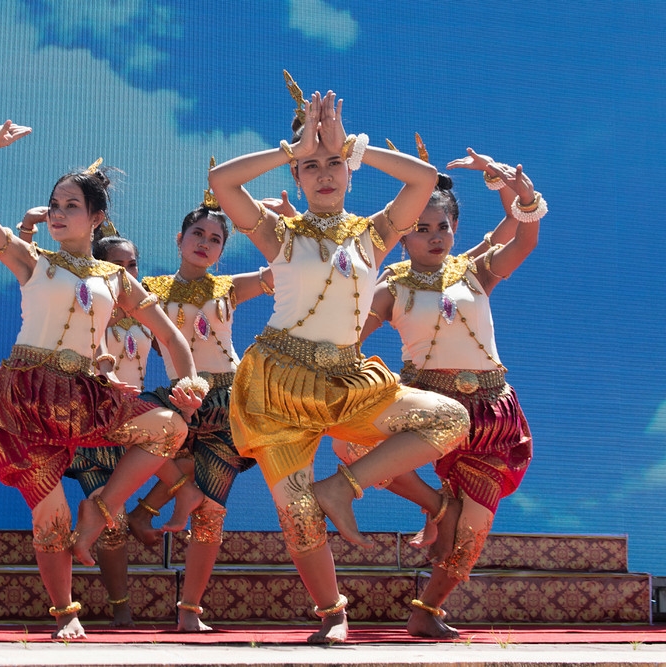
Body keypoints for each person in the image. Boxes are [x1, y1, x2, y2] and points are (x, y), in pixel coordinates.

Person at [206, 80, 470, 643]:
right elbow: (222, 182)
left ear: (349, 171)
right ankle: (332, 613)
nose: (324, 173)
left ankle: (342, 487)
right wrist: (292, 147)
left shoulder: (376, 233)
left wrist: (354, 146)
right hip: (279, 382)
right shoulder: (279, 235)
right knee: (296, 511)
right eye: (311, 166)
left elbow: (424, 180)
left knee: (450, 419)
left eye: (334, 164)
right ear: (297, 176)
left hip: (350, 379)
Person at [0, 121, 205, 640]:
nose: (57, 213)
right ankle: (64, 612)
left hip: (83, 395)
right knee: (49, 513)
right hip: (25, 396)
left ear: (96, 218)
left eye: (71, 205)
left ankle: (103, 506)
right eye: (54, 204)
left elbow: (169, 335)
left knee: (170, 427)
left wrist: (189, 383)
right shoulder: (32, 260)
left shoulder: (116, 278)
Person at [360, 145, 540, 638]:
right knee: (353, 444)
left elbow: (523, 238)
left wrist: (519, 194)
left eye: (442, 227)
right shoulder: (389, 289)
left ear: (454, 228)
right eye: (422, 228)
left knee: (474, 529)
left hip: (491, 413)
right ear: (402, 233)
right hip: (430, 407)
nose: (435, 236)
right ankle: (438, 505)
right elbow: (349, 340)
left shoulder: (476, 271)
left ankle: (428, 609)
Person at [126, 192, 273, 632]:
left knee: (211, 508)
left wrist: (270, 222)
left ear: (222, 250)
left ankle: (189, 610)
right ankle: (149, 508)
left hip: (228, 402)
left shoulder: (230, 287)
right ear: (179, 238)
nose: (205, 243)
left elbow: (284, 271)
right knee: (139, 438)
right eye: (197, 234)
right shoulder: (149, 290)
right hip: (181, 401)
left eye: (215, 239)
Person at [19, 214, 153, 628]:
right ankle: (109, 608)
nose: (125, 272)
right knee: (108, 519)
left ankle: (147, 514)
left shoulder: (145, 310)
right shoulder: (84, 303)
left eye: (132, 265)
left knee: (183, 465)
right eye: (116, 265)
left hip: (126, 423)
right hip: (84, 420)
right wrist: (26, 231)